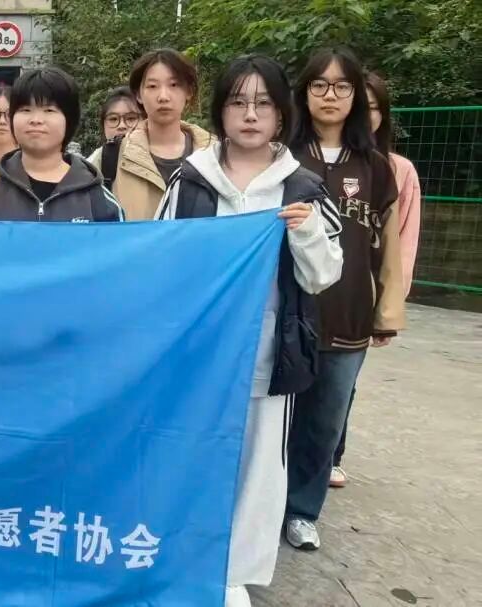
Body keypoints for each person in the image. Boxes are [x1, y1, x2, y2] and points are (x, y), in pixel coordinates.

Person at [157, 54, 343, 607]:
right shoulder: (189, 182)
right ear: (220, 112)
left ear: (282, 114)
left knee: (259, 465)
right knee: (188, 453)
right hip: (200, 355)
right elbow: (163, 262)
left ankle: (235, 571)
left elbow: (323, 276)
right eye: (238, 102)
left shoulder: (304, 188)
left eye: (263, 103)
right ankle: (177, 555)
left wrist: (306, 233)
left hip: (270, 352)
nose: (250, 114)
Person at [285, 47, 405, 551]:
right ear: (304, 93)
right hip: (290, 315)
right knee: (279, 420)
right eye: (319, 85)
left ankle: (301, 511)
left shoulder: (375, 166)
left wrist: (387, 311)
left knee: (325, 423)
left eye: (341, 86)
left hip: (349, 315)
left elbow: (390, 246)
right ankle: (263, 506)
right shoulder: (283, 157)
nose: (329, 95)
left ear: (355, 95)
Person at [330, 71, 423, 488]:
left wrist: (388, 307)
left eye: (373, 108)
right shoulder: (318, 160)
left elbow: (401, 244)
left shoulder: (397, 171)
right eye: (359, 106)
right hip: (318, 291)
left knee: (343, 381)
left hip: (360, 296)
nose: (364, 116)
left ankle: (333, 455)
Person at [0, 67, 121, 222]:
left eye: (49, 110)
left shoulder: (97, 197)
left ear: (69, 120)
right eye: (25, 110)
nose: (36, 120)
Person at [112, 49, 213, 220]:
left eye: (174, 85)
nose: (163, 96)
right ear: (138, 95)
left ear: (189, 91)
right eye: (152, 86)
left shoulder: (215, 154)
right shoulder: (112, 157)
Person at [87, 86, 143, 180]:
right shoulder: (93, 165)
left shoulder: (161, 157)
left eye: (131, 118)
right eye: (113, 119)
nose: (122, 126)